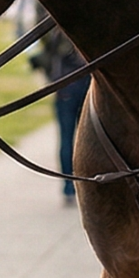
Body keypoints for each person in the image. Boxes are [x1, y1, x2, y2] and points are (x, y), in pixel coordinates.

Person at [31, 29, 89, 204]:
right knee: (88, 139)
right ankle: (85, 185)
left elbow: (50, 49)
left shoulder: (58, 30)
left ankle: (69, 187)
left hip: (66, 87)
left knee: (67, 138)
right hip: (86, 84)